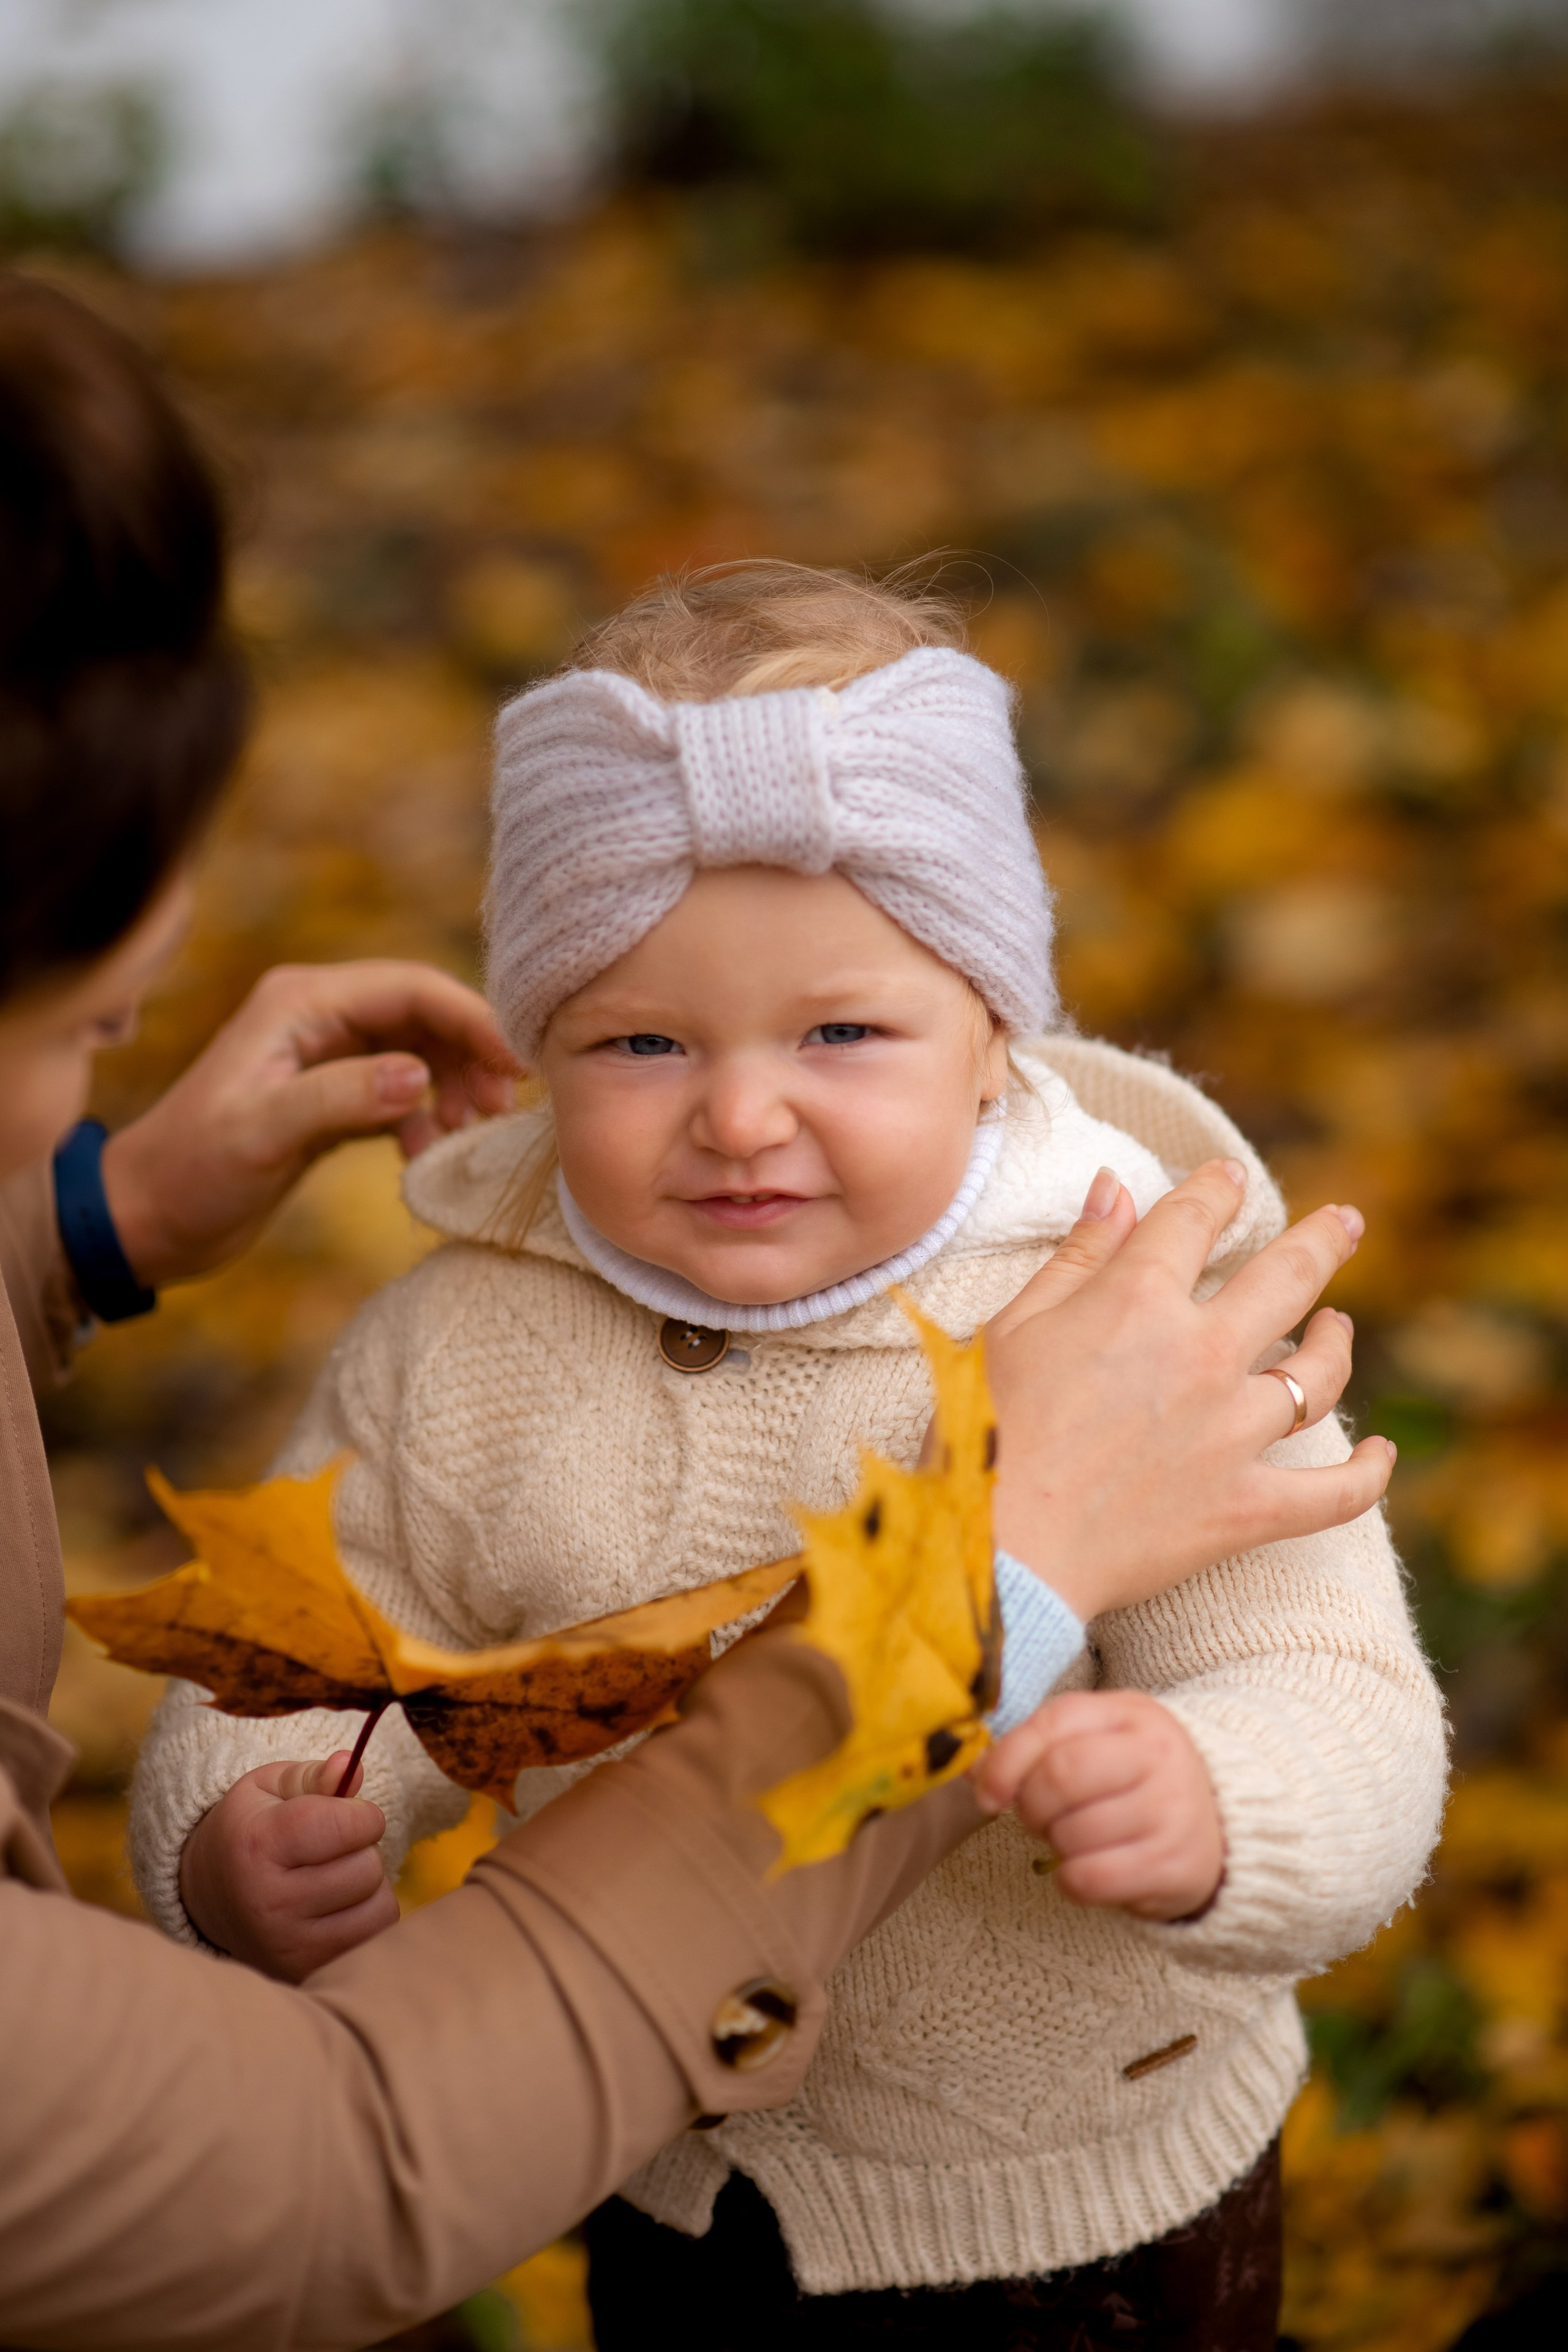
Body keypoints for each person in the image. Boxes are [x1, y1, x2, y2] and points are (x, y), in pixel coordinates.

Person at [132, 561, 1444, 2351]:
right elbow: (313, 1644)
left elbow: (1333, 1681)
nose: (742, 1114)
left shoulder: (1144, 1311)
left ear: (996, 1032)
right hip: (673, 2171)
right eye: (642, 1043)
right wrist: (237, 1834)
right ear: (537, 1047)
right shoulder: (462, 1352)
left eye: (843, 1033)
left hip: (1098, 2197)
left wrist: (1225, 1800)